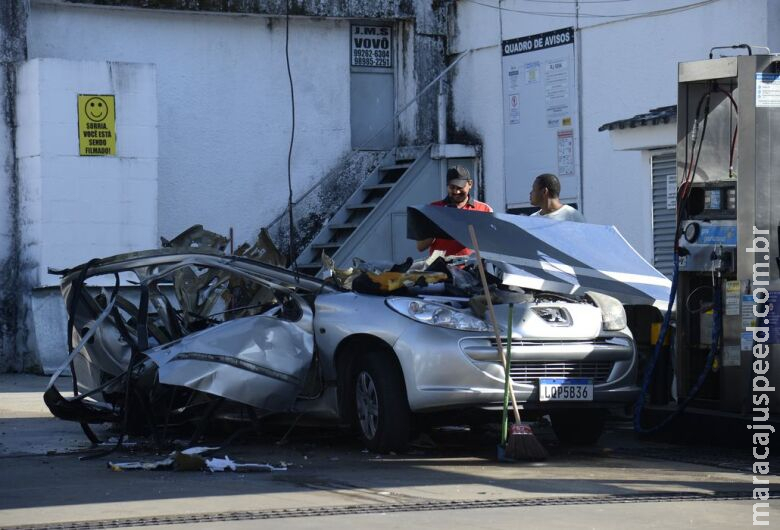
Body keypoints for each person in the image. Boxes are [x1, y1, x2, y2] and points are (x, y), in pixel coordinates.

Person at [416, 165, 493, 256]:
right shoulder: (433, 209)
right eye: (452, 187)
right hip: (441, 268)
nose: (456, 192)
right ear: (447, 186)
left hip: (473, 268)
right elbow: (420, 247)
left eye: (460, 187)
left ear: (470, 184)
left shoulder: (484, 209)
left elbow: (493, 245)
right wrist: (437, 226)